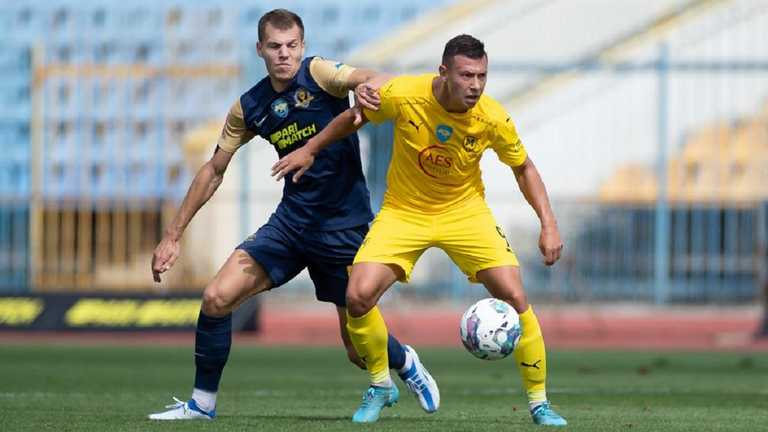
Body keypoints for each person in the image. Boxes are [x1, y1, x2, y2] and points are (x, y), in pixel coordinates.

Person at [147, 9, 439, 421]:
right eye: (274, 47)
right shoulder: (249, 107)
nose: (284, 54)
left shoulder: (320, 73)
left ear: (302, 46)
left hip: (343, 227)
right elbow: (213, 170)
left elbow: (369, 76)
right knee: (215, 297)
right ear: (260, 50)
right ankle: (202, 405)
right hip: (290, 226)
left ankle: (406, 362)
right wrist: (172, 235)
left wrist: (371, 87)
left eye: (291, 46)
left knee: (357, 352)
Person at [272, 34, 567, 426]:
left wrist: (548, 224)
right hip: (404, 212)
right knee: (357, 295)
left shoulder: (492, 116)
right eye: (466, 75)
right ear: (443, 72)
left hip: (465, 213)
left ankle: (540, 403)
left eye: (482, 76)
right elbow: (354, 118)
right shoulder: (405, 94)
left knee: (515, 296)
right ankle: (381, 385)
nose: (475, 85)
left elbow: (523, 167)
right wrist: (310, 148)